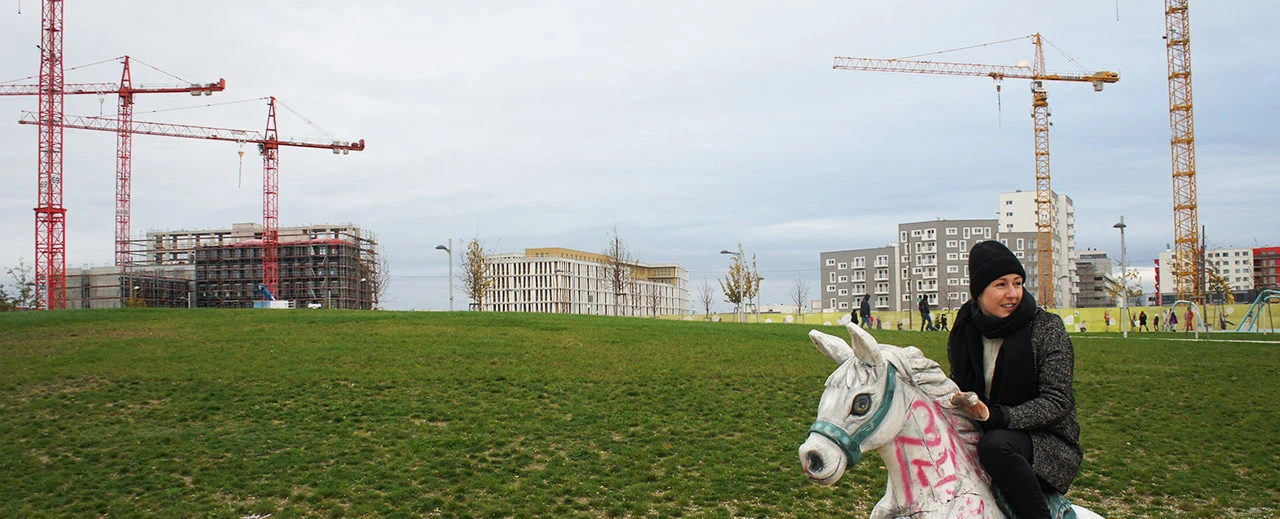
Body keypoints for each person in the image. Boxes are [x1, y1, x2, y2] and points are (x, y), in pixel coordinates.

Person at [947, 241, 1081, 519]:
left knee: (995, 445)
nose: (1013, 294)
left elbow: (1057, 403)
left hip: (1044, 441)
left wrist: (997, 417)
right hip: (984, 429)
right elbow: (957, 384)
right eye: (1001, 285)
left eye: (1018, 283)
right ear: (979, 291)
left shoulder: (1046, 328)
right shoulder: (964, 329)